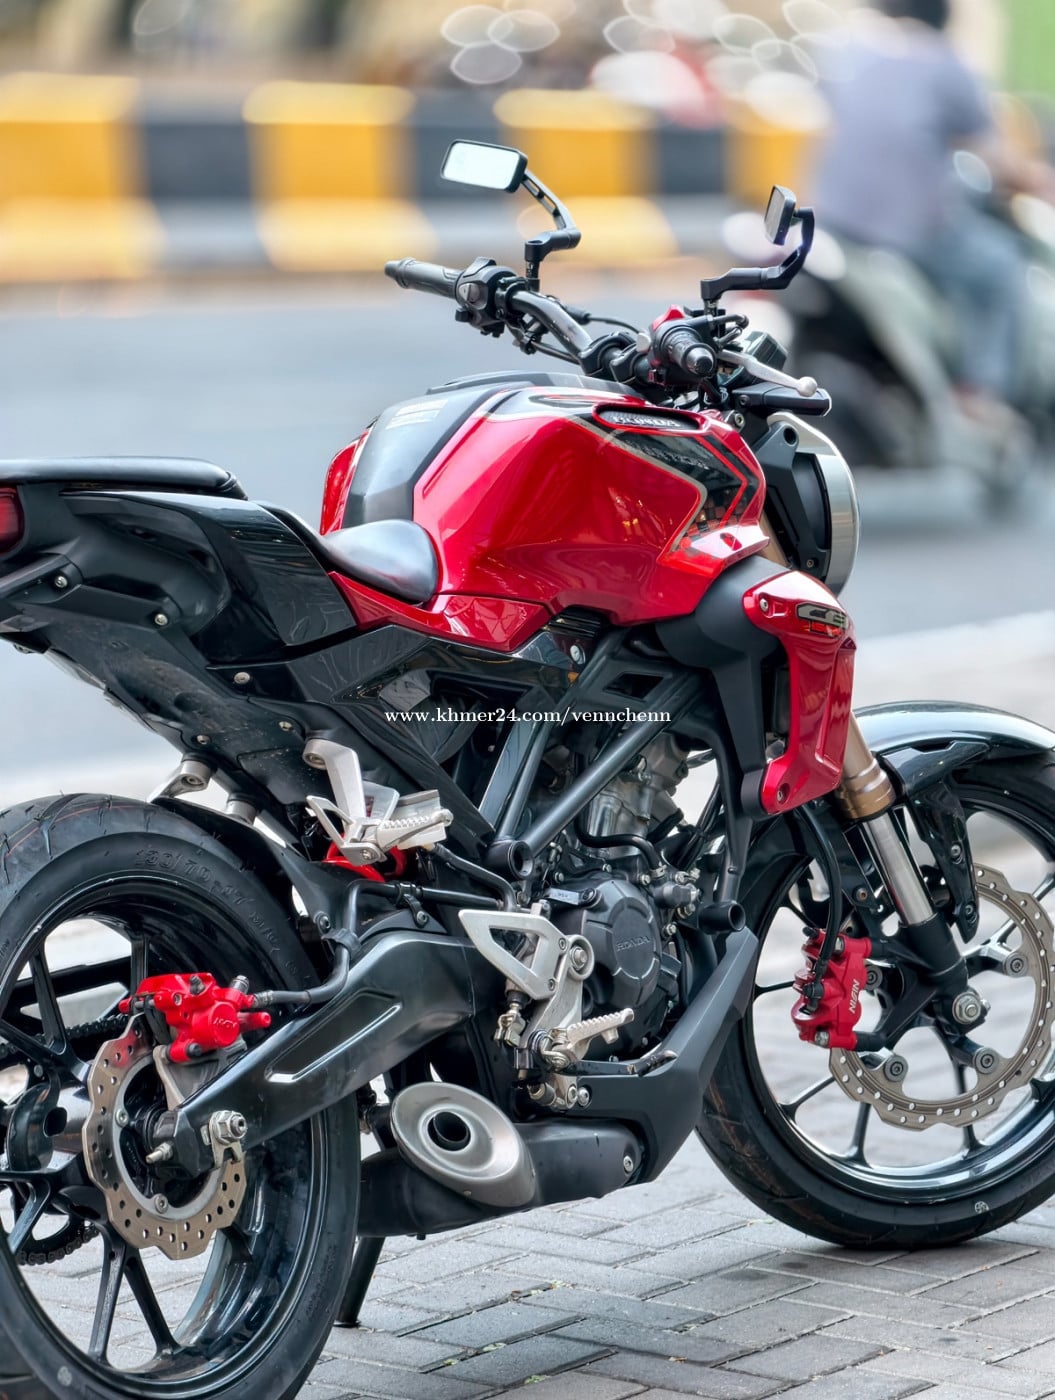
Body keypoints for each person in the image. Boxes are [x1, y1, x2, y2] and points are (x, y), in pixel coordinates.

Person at [812, 0, 1052, 417]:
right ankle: (981, 397)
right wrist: (1038, 181)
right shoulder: (945, 64)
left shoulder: (850, 49)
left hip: (836, 220)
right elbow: (995, 156)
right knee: (1000, 271)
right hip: (906, 230)